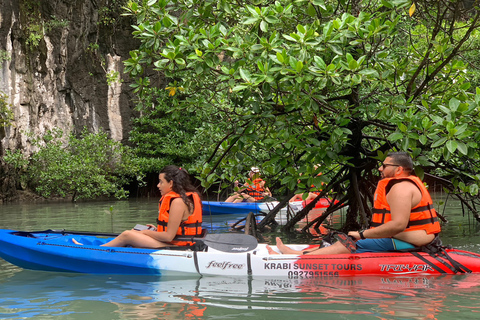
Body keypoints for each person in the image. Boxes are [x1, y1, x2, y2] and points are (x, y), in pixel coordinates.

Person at [267, 152, 441, 255]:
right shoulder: (405, 184)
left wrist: (364, 234)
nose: (380, 169)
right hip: (416, 237)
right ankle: (304, 252)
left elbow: (398, 225)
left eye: (384, 165)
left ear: (398, 169)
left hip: (413, 241)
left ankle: (298, 255)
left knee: (350, 241)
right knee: (349, 237)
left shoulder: (400, 189)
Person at [100, 165, 203, 248]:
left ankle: (98, 249)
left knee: (127, 235)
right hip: (176, 243)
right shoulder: (182, 199)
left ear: (171, 183)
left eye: (161, 182)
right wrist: (155, 230)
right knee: (134, 232)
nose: (158, 185)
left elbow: (168, 236)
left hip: (178, 247)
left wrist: (146, 232)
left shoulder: (178, 202)